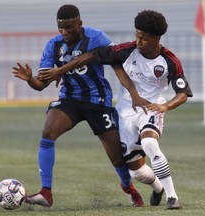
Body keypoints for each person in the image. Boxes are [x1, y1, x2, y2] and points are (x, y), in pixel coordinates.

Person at [38, 10, 193, 210]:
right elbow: (93, 55)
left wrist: (164, 106)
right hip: (125, 112)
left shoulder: (170, 61)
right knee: (136, 171)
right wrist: (61, 70)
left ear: (156, 39)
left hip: (151, 108)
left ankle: (172, 198)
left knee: (149, 143)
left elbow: (183, 93)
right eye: (137, 36)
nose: (138, 42)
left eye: (143, 39)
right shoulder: (126, 50)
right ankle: (157, 187)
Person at [12, 4, 159, 208]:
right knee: (48, 132)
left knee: (117, 158)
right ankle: (46, 193)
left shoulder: (97, 37)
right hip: (70, 100)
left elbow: (117, 65)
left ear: (79, 24)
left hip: (98, 101)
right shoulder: (53, 46)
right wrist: (30, 79)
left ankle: (129, 188)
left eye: (69, 27)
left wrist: (134, 94)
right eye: (60, 28)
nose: (64, 32)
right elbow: (41, 84)